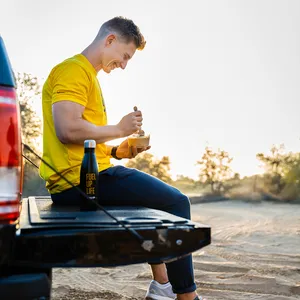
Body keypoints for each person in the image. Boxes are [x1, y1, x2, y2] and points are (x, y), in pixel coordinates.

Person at [39, 16, 206, 300]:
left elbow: (85, 141)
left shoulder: (86, 75)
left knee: (153, 203)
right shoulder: (73, 70)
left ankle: (162, 286)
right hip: (81, 182)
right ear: (110, 40)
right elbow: (67, 129)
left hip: (82, 177)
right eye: (125, 56)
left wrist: (119, 149)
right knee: (177, 202)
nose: (124, 65)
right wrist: (118, 128)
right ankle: (186, 297)